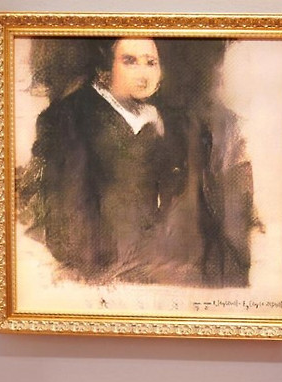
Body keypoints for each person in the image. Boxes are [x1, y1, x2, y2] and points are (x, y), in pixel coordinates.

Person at [18, 37, 257, 287]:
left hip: (174, 270)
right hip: (106, 272)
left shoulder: (179, 123)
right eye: (130, 61)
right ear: (104, 69)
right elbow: (67, 214)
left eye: (151, 63)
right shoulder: (69, 117)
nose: (143, 74)